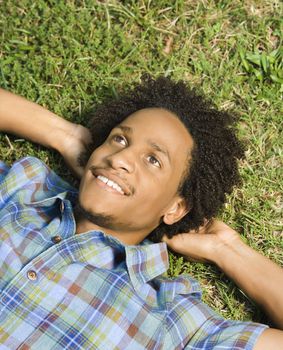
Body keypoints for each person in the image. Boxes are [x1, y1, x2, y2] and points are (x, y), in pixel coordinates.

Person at [0, 76, 282, 349]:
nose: (119, 158)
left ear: (176, 207)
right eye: (119, 139)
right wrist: (65, 135)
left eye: (153, 160)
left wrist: (226, 249)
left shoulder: (169, 320)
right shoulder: (23, 186)